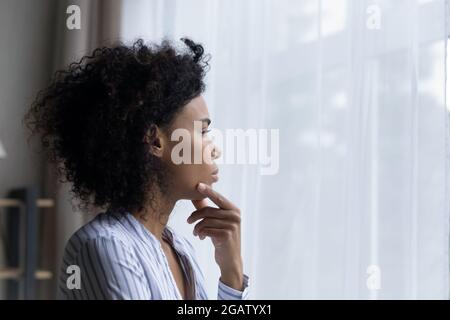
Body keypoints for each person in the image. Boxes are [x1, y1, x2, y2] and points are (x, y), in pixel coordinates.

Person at [24, 38, 249, 300]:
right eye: (203, 130)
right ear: (155, 140)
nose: (214, 149)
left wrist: (232, 272)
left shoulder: (182, 251)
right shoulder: (106, 246)